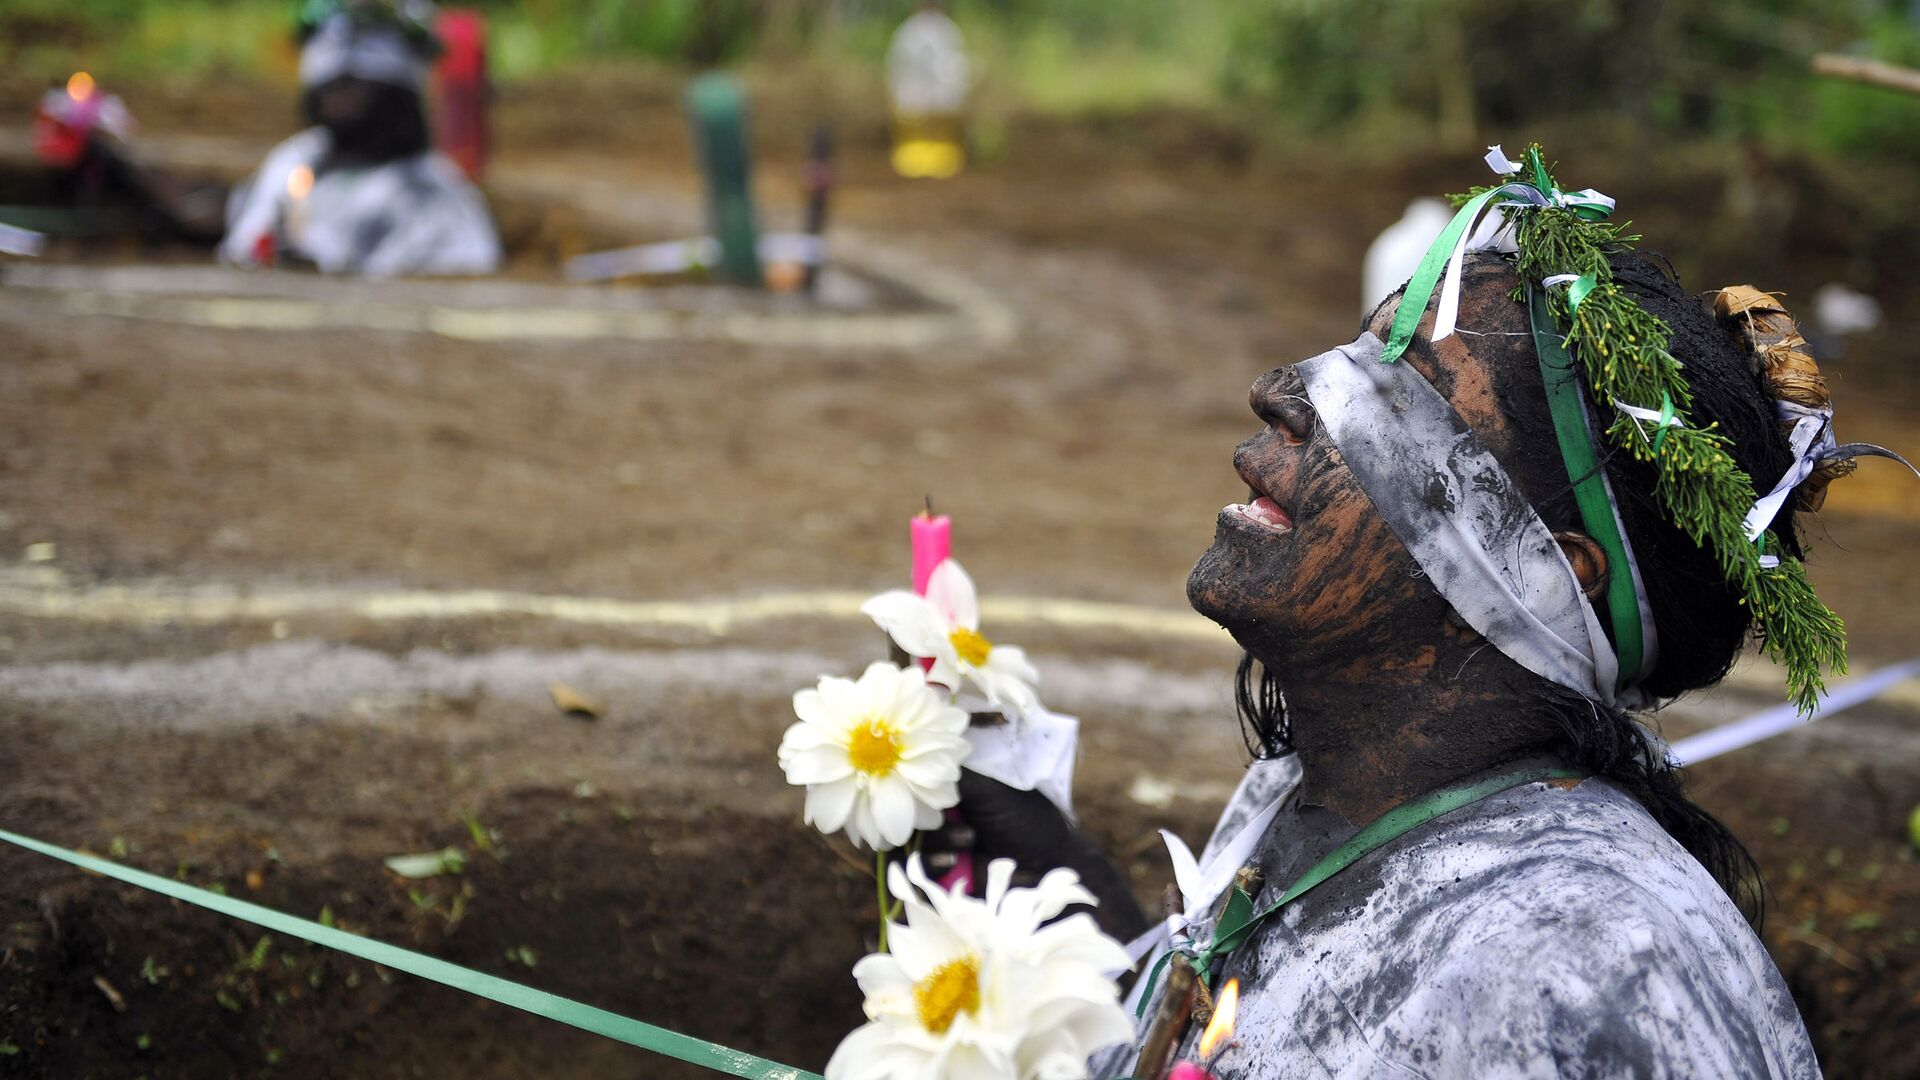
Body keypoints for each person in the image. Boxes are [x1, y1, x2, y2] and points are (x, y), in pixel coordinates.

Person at [940, 152, 1905, 1077]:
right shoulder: (1347, 813)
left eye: (1399, 394)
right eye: (1358, 351)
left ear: (1539, 578)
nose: (1279, 389)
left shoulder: (1578, 977)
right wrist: (1046, 869)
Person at [219, 0, 500, 277]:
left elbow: (445, 276)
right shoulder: (293, 162)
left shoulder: (428, 192)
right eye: (330, 91)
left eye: (354, 90)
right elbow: (243, 251)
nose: (340, 97)